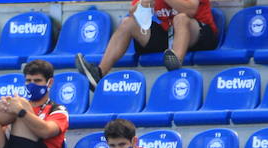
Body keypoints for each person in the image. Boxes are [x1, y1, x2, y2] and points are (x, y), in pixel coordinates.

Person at [77, 0, 218, 88]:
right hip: (169, 33)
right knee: (128, 23)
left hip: (199, 32)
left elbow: (191, 9)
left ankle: (175, 61)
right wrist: (144, 3)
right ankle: (99, 73)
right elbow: (132, 12)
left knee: (181, 18)